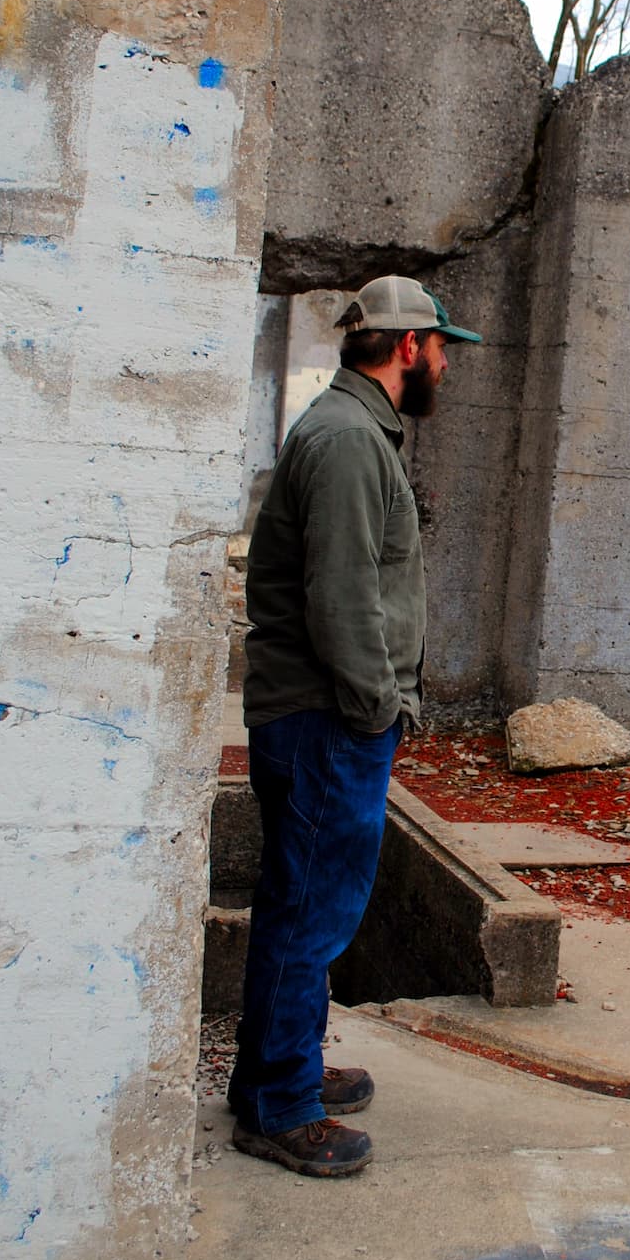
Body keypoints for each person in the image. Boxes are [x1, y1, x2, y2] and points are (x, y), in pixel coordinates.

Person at [227, 274, 481, 1177]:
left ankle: (279, 1070)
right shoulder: (344, 441)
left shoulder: (355, 432)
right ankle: (278, 1107)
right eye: (443, 348)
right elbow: (341, 598)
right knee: (310, 914)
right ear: (408, 346)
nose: (447, 365)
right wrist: (380, 709)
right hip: (329, 718)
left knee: (305, 906)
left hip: (325, 717)